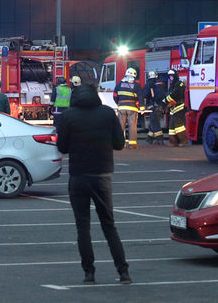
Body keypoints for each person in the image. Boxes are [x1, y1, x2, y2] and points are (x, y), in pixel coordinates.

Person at [55, 84, 131, 285]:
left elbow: (62, 147)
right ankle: (123, 271)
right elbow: (119, 144)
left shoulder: (68, 116)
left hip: (78, 175)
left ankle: (89, 272)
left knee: (83, 227)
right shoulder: (107, 114)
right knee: (109, 225)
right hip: (102, 175)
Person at [113, 67, 142, 149]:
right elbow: (140, 97)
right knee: (132, 126)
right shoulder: (137, 85)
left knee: (120, 126)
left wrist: (119, 104)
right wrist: (142, 107)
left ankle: (120, 144)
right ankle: (132, 144)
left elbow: (115, 96)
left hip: (122, 108)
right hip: (132, 108)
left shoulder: (119, 84)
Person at [142, 71, 167, 145]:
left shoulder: (149, 83)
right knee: (154, 121)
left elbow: (145, 94)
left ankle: (160, 139)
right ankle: (150, 138)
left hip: (152, 106)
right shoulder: (160, 83)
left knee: (154, 122)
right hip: (160, 106)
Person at [164, 69, 187, 147]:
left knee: (178, 125)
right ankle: (173, 142)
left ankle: (183, 140)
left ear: (175, 76)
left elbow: (175, 94)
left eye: (171, 76)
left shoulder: (179, 84)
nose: (170, 78)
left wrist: (165, 100)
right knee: (171, 127)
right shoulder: (172, 85)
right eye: (169, 76)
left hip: (179, 107)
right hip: (173, 108)